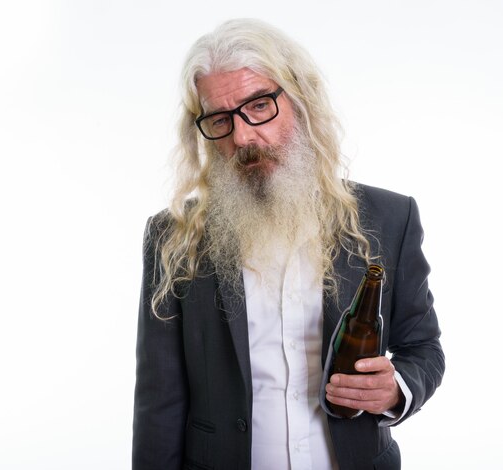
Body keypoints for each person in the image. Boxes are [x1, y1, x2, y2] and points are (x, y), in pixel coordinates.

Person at [132, 18, 444, 470]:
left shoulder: (391, 218)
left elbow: (423, 348)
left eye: (258, 106)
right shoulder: (173, 237)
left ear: (300, 99)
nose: (242, 137)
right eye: (220, 119)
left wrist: (398, 388)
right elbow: (159, 397)